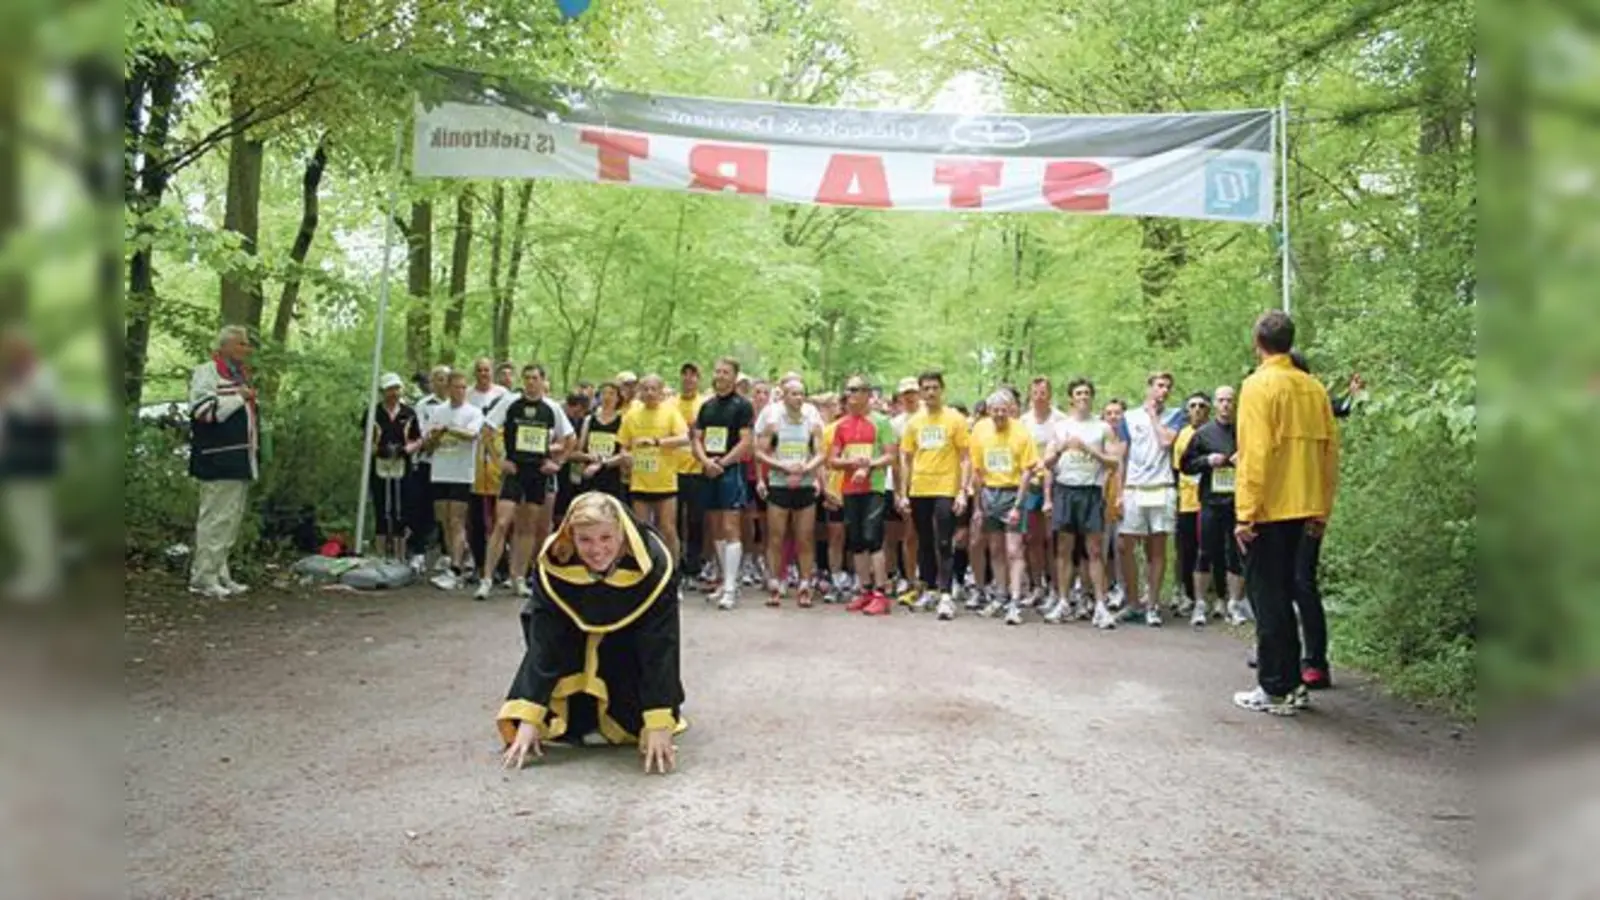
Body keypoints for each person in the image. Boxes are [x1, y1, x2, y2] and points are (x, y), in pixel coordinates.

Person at [498, 491, 686, 774]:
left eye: (606, 538)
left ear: (622, 535)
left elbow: (660, 647)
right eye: (585, 539)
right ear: (570, 538)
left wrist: (659, 721)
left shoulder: (654, 569)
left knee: (636, 720)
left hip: (626, 653)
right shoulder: (554, 567)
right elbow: (545, 644)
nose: (596, 550)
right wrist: (531, 715)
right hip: (571, 651)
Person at [1233, 310, 1340, 715]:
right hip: (1307, 505)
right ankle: (1294, 683)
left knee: (1269, 597)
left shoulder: (1259, 386)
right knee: (1290, 591)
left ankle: (1275, 686)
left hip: (1270, 508)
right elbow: (1331, 454)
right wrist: (1322, 508)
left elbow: (1255, 454)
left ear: (1257, 341)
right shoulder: (1313, 388)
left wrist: (1246, 515)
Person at [475, 364, 575, 601]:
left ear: (543, 381)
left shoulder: (551, 408)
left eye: (535, 378)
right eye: (527, 378)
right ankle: (486, 578)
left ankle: (518, 576)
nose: (531, 382)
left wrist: (557, 463)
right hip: (514, 470)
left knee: (527, 526)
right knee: (502, 522)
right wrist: (499, 460)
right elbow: (487, 430)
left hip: (538, 473)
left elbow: (570, 438)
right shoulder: (510, 402)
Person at [1039, 378, 1121, 629]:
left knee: (1095, 550)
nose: (1083, 397)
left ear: (1092, 397)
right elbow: (1048, 463)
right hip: (1065, 490)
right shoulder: (1060, 427)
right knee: (1064, 549)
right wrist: (1063, 448)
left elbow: (1114, 462)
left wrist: (1089, 450)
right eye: (1078, 393)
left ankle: (1099, 604)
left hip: (1091, 491)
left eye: (1087, 393)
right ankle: (1063, 601)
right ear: (1071, 398)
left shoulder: (1103, 427)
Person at [187, 325, 260, 599]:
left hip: (240, 458)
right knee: (215, 518)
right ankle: (202, 577)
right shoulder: (207, 372)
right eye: (241, 344)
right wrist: (239, 397)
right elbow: (204, 412)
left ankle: (220, 572)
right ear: (226, 346)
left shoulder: (240, 374)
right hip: (217, 458)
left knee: (230, 520)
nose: (246, 349)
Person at [895, 370, 971, 620]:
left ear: (942, 390)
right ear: (920, 392)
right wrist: (903, 492)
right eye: (925, 388)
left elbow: (965, 456)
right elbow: (905, 458)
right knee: (924, 540)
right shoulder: (914, 422)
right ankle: (928, 587)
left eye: (934, 388)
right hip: (920, 488)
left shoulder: (955, 419)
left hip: (946, 487)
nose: (930, 393)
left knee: (944, 540)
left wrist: (962, 490)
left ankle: (946, 594)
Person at [827, 375, 897, 615]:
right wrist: (850, 463)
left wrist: (868, 465)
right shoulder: (842, 425)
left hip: (874, 487)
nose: (851, 395)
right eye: (848, 390)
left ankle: (881, 593)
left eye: (856, 390)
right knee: (856, 540)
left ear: (868, 394)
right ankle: (864, 590)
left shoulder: (881, 422)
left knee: (873, 538)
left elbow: (890, 456)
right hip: (849, 488)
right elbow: (832, 459)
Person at [969, 389, 1040, 626]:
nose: (999, 414)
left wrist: (1018, 505)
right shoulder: (980, 430)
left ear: (1010, 410)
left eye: (1004, 409)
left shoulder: (1020, 431)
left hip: (1012, 492)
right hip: (990, 492)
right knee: (995, 548)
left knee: (1014, 549)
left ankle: (1016, 600)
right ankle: (1000, 594)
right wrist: (978, 506)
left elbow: (1027, 471)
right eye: (995, 410)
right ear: (988, 411)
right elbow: (976, 470)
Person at [0, 330, 62, 600]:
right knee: (21, 517)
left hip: (33, 460)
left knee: (33, 517)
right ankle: (34, 572)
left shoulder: (41, 377)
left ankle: (41, 576)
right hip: (17, 460)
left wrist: (12, 400)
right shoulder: (15, 379)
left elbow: (44, 416)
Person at [754, 377, 825, 608]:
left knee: (804, 537)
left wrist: (807, 467)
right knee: (776, 536)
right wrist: (782, 467)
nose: (799, 398)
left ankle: (805, 585)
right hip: (779, 483)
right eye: (794, 394)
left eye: (802, 394)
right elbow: (760, 452)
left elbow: (821, 453)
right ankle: (775, 583)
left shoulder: (811, 421)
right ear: (784, 396)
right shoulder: (774, 423)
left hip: (804, 484)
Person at [1180, 385, 1248, 627]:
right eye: (1221, 400)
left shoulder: (1246, 430)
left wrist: (1244, 459)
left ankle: (1235, 604)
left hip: (1239, 502)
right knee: (1205, 551)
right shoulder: (1204, 433)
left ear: (1235, 403)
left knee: (1237, 553)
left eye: (1230, 400)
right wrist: (1208, 461)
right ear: (1215, 405)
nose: (1226, 405)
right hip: (1210, 501)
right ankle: (1200, 604)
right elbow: (1185, 464)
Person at [691, 357, 756, 609]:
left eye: (725, 372)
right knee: (715, 526)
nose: (720, 376)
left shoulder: (743, 406)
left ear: (734, 376)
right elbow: (697, 438)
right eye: (717, 371)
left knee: (731, 526)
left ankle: (731, 587)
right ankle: (725, 579)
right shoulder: (706, 406)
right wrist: (706, 461)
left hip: (730, 471)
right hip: (709, 470)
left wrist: (723, 464)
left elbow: (746, 442)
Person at [1117, 372, 1179, 627]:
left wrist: (1154, 416)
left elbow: (1166, 442)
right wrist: (1119, 492)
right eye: (1159, 386)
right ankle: (1133, 602)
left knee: (1157, 546)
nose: (1163, 391)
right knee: (1124, 545)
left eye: (1167, 387)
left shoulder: (1175, 415)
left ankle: (1152, 604)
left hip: (1161, 486)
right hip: (1134, 487)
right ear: (1149, 387)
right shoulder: (1129, 417)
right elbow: (1122, 455)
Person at [422, 371, 484, 589]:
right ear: (448, 389)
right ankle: (455, 558)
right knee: (444, 520)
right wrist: (435, 437)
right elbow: (427, 445)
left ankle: (456, 568)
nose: (460, 391)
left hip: (461, 472)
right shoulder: (438, 411)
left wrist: (448, 428)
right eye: (456, 387)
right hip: (440, 471)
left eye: (463, 387)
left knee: (457, 520)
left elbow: (472, 435)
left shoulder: (473, 412)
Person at [367, 372, 422, 561]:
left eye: (397, 388)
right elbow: (366, 440)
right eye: (390, 389)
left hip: (402, 465)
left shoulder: (409, 413)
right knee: (381, 506)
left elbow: (418, 439)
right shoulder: (373, 413)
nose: (394, 393)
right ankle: (381, 554)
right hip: (379, 465)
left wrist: (406, 450)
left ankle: (400, 555)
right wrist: (377, 450)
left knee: (402, 508)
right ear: (383, 391)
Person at [1171, 392, 1211, 616]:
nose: (1197, 409)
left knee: (1210, 549)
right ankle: (1187, 593)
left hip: (1211, 500)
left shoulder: (1215, 433)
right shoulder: (1182, 436)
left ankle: (1211, 596)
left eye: (1202, 406)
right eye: (1193, 406)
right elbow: (1176, 469)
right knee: (1186, 550)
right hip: (1186, 501)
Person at [573, 382, 627, 502]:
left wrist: (601, 463)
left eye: (611, 394)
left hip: (612, 474)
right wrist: (588, 457)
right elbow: (579, 450)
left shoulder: (623, 421)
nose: (607, 397)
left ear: (618, 398)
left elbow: (624, 454)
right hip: (589, 473)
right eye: (604, 393)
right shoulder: (589, 420)